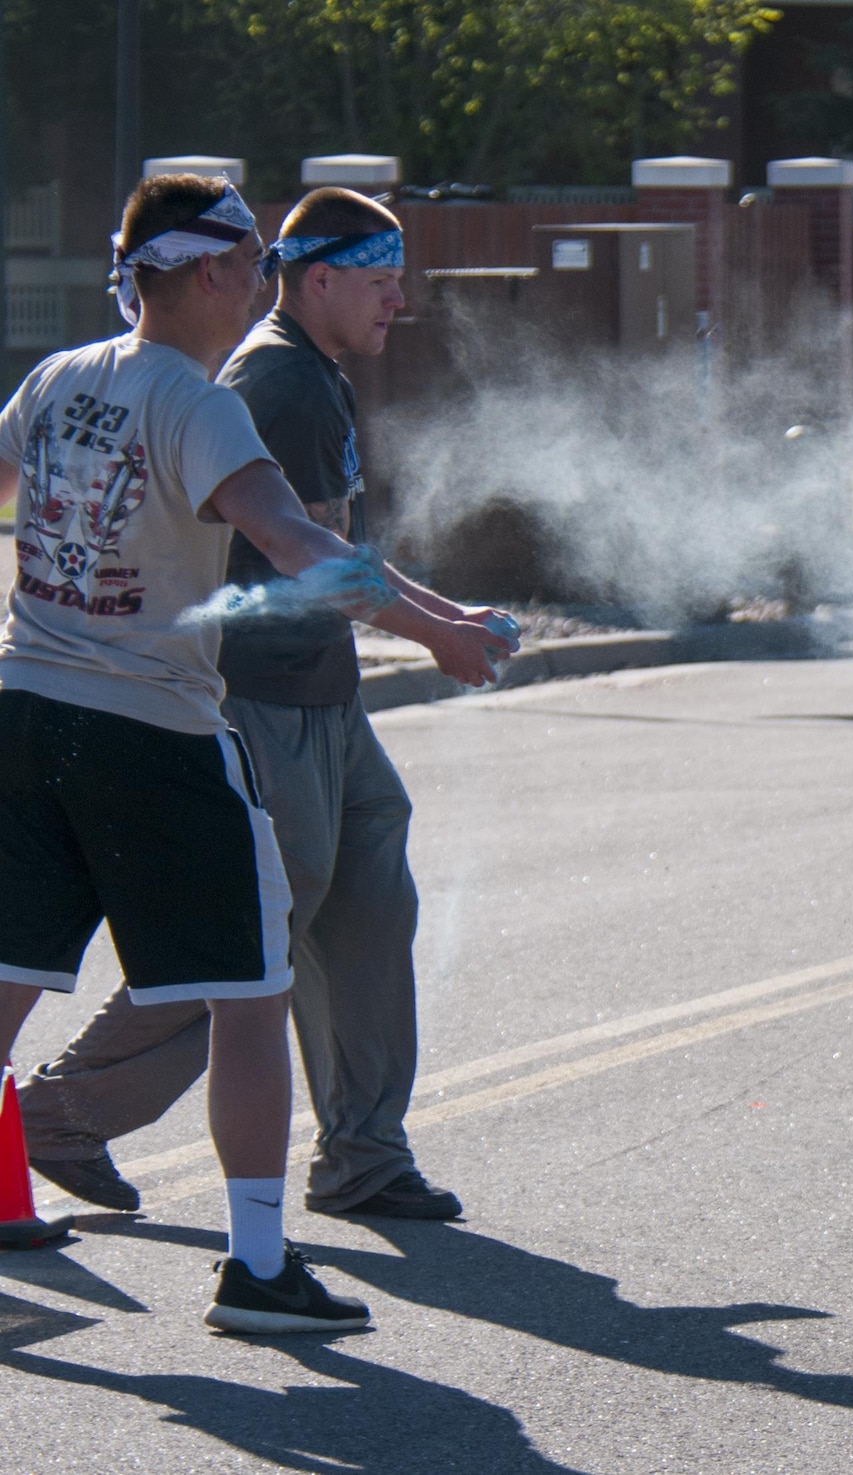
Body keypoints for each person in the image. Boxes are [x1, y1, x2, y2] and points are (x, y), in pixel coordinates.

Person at [0, 173, 506, 1331]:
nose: (260, 286)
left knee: (10, 978)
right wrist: (441, 634)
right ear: (218, 269)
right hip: (154, 730)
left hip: (27, 713)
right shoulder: (204, 402)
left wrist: (443, 618)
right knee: (251, 990)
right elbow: (303, 552)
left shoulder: (56, 377)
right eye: (254, 265)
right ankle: (258, 1266)